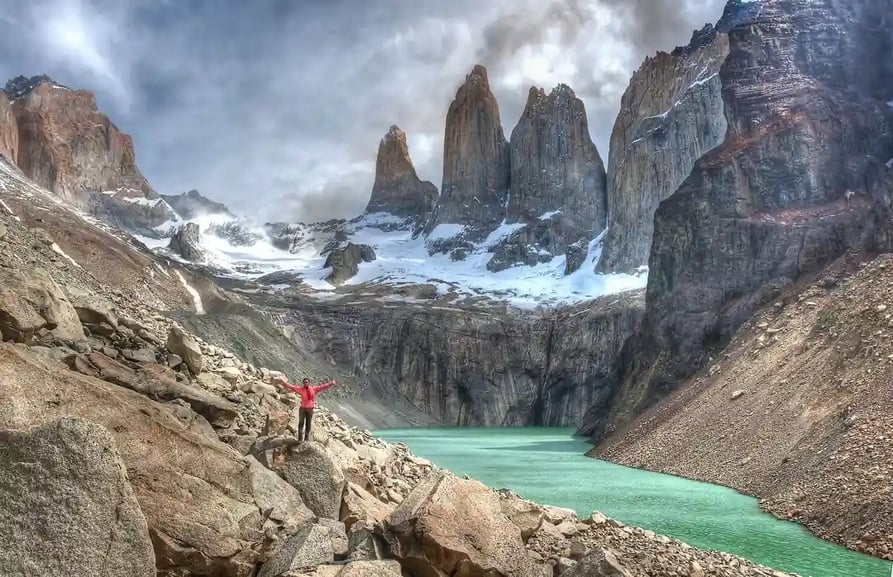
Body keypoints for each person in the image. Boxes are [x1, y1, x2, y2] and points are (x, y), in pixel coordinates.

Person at [275, 376, 336, 442]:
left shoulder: (314, 389)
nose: (305, 383)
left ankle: (306, 439)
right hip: (302, 409)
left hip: (310, 409)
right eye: (304, 382)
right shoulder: (300, 389)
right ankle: (300, 440)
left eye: (307, 382)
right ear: (303, 383)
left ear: (309, 383)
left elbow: (323, 386)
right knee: (301, 424)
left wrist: (331, 383)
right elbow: (291, 386)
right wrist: (283, 382)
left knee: (308, 424)